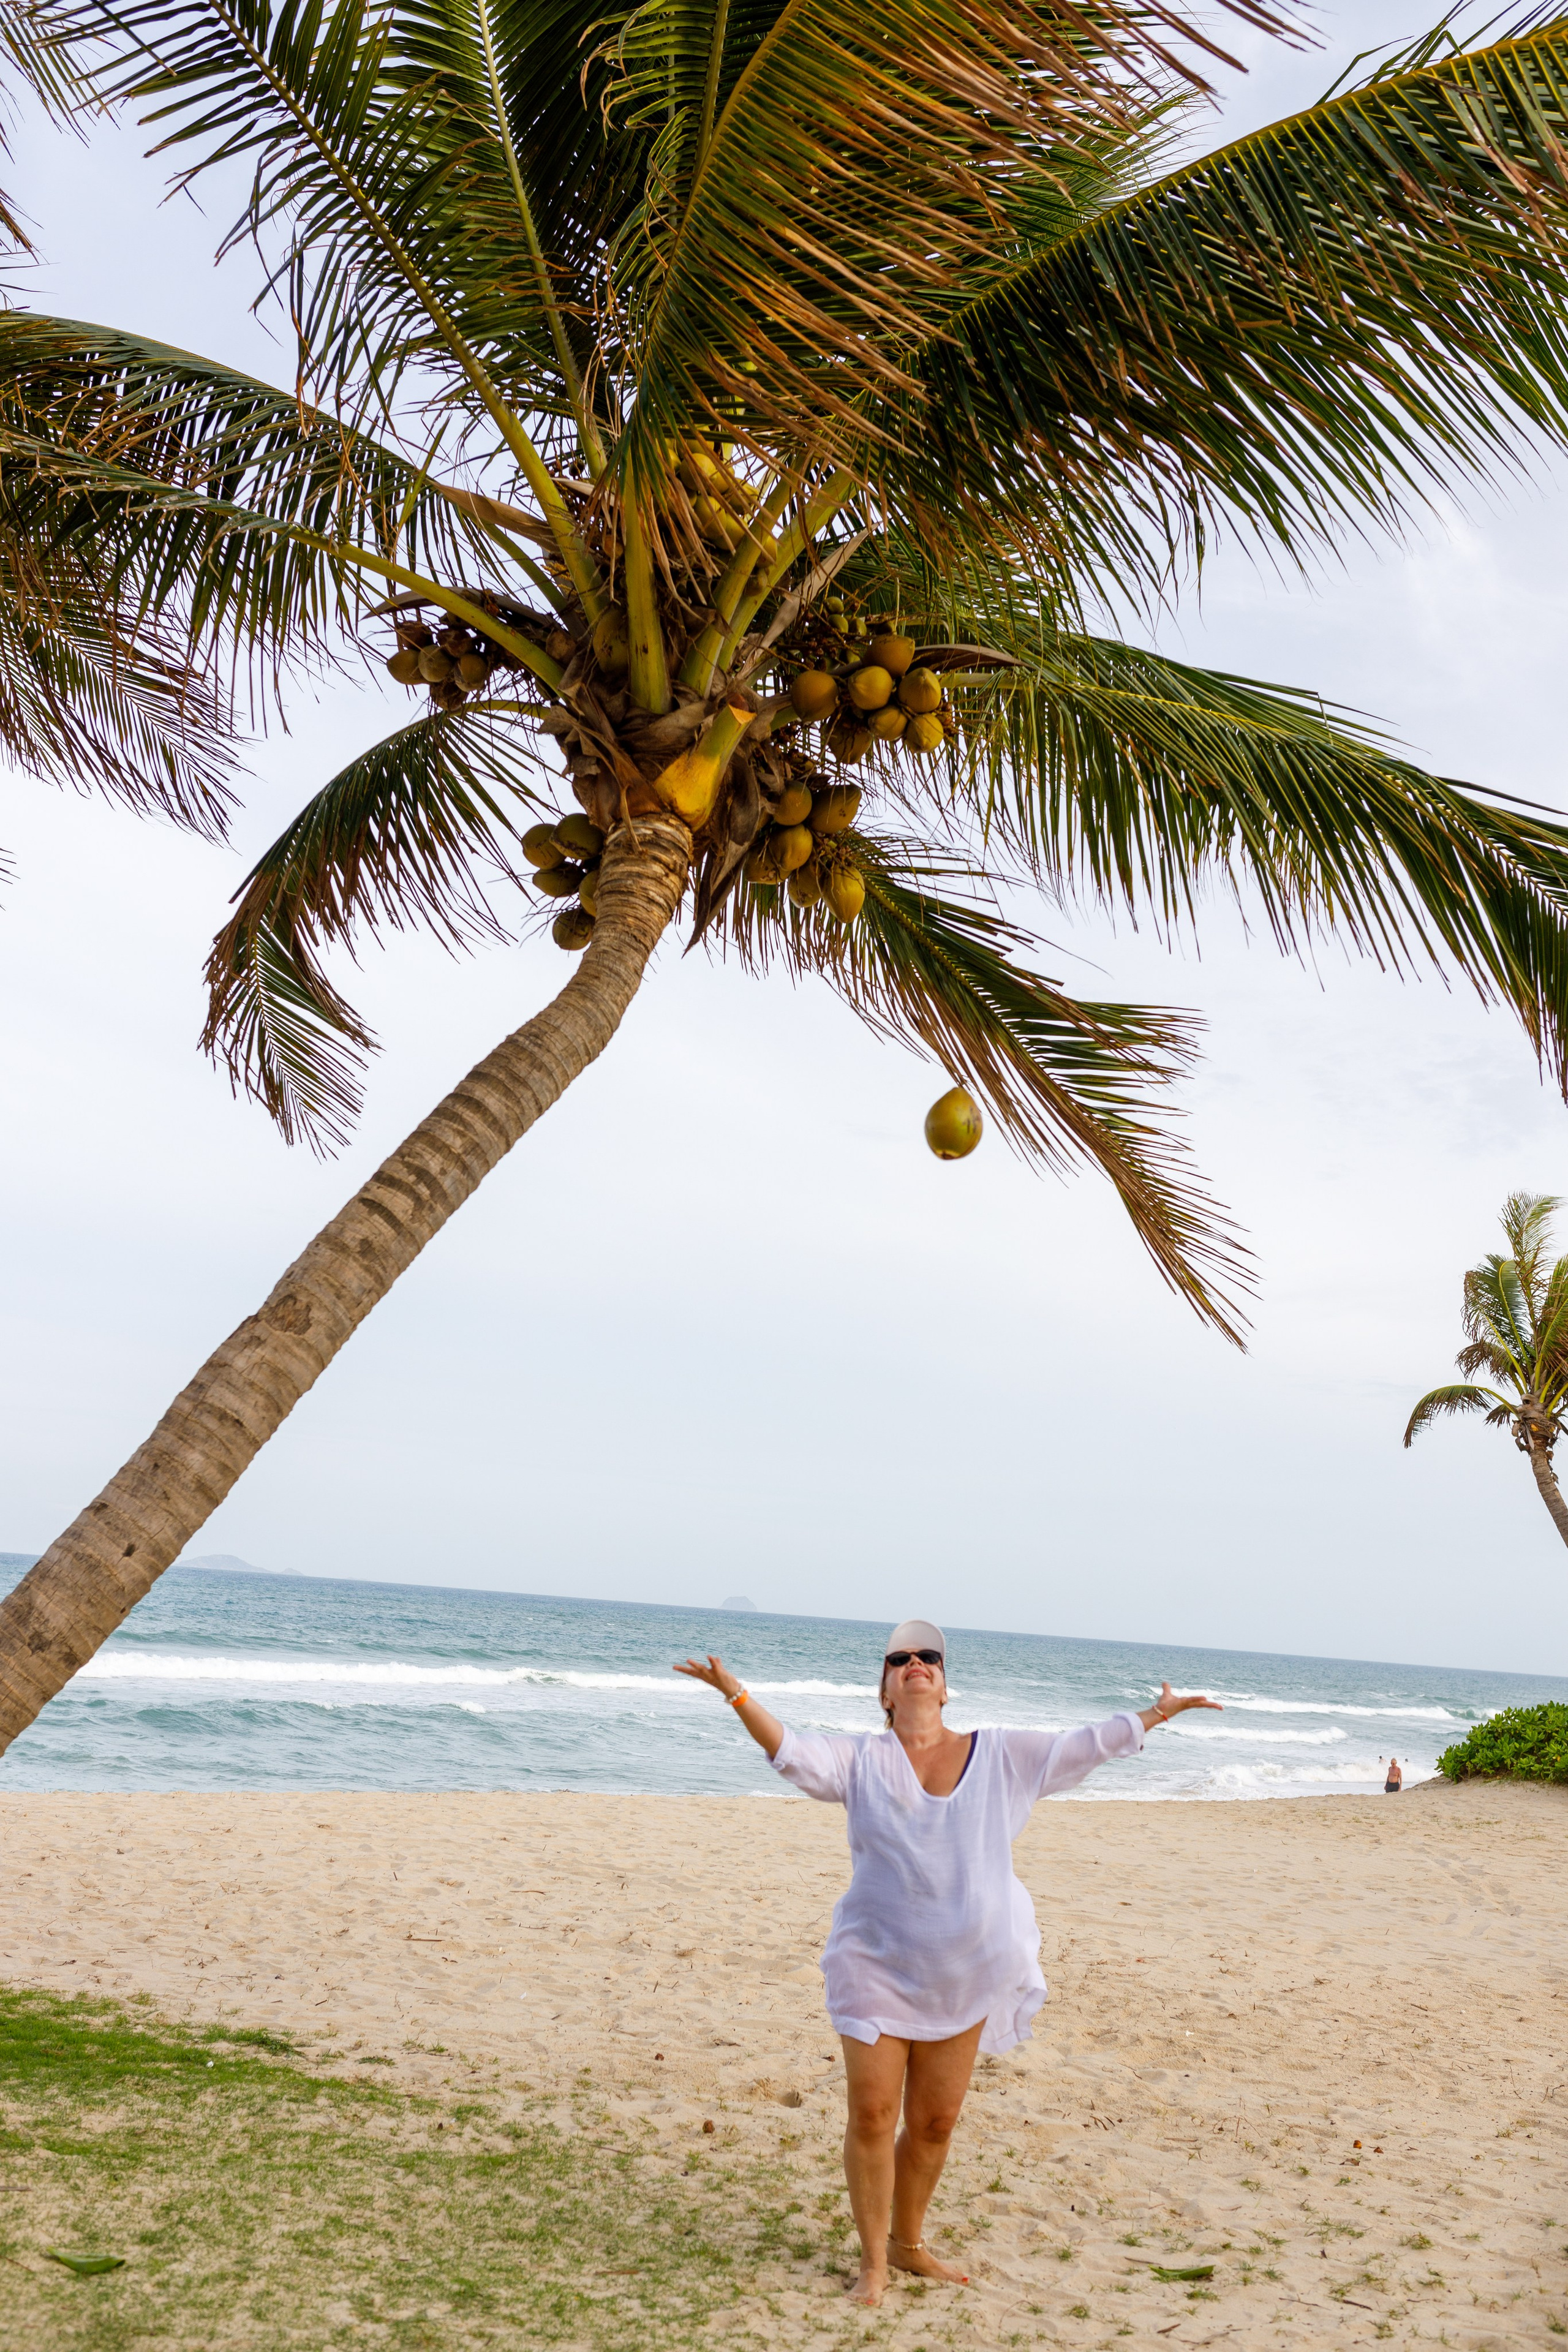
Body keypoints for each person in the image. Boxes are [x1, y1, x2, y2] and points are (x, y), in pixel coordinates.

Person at [674, 1618, 1220, 2307]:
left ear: (943, 1680)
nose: (915, 1663)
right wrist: (735, 1693)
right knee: (873, 2114)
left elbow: (1083, 1746)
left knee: (934, 2123)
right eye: (899, 1658)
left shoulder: (1001, 1755)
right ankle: (874, 2261)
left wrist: (1156, 1713)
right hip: (874, 1962)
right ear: (885, 1687)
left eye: (927, 1655)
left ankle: (909, 2244)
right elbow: (790, 1751)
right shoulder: (859, 1760)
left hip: (966, 1970)